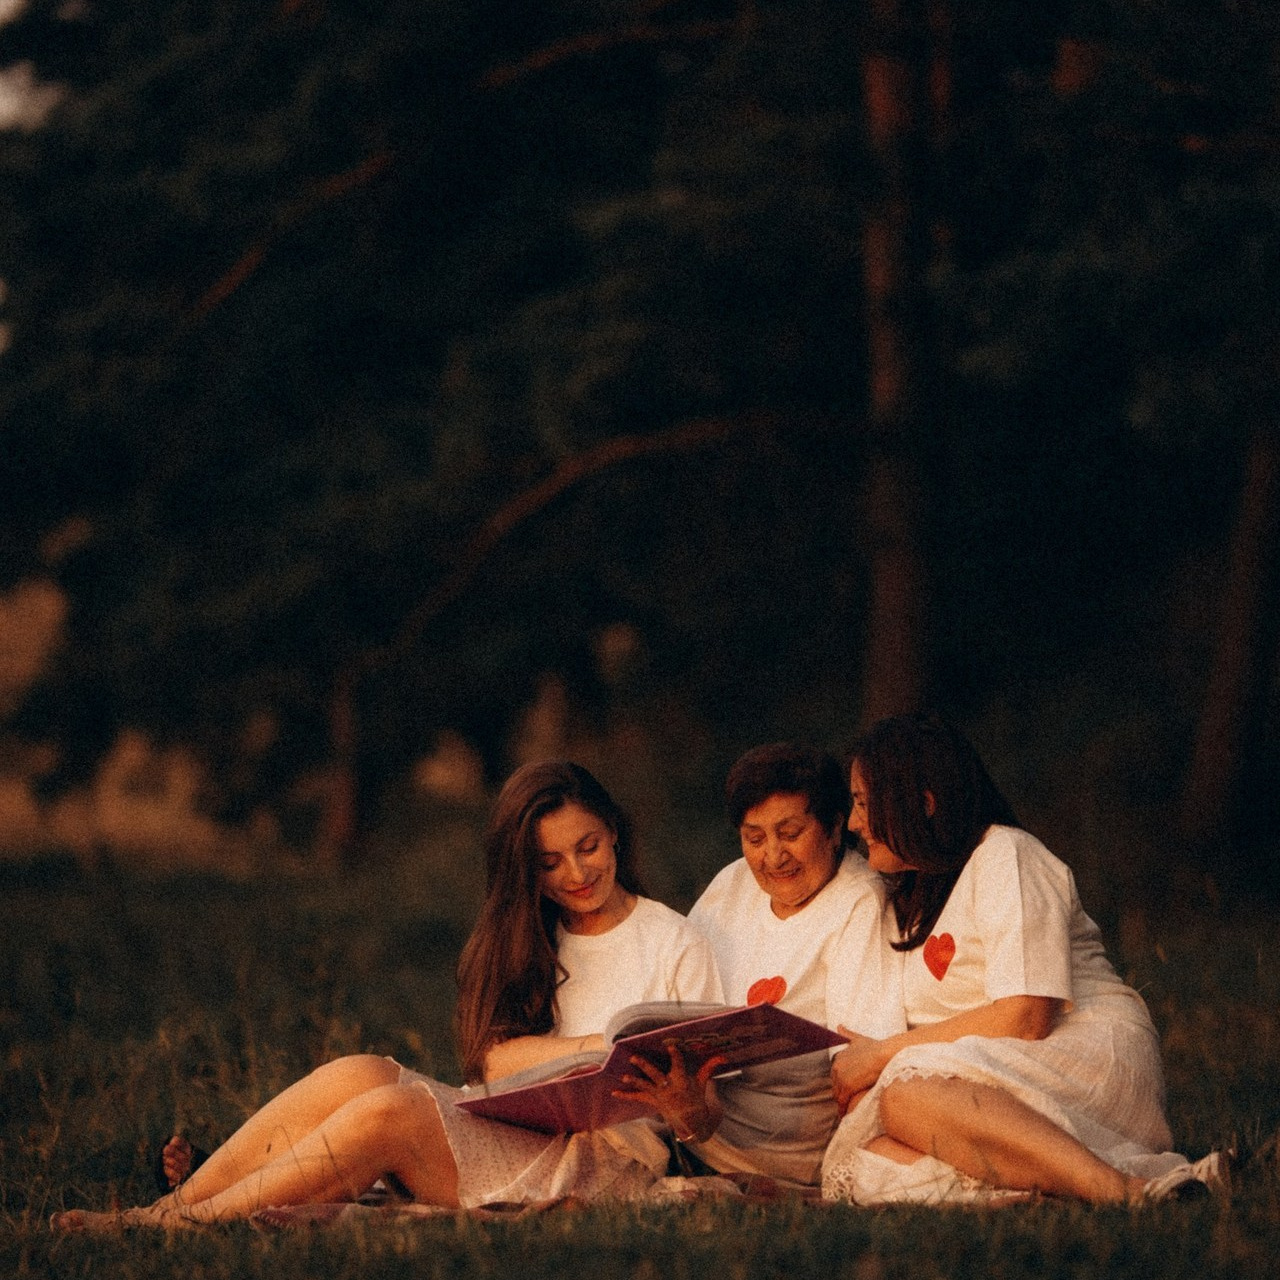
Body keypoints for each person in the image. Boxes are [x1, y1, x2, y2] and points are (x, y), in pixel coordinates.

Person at [52, 761, 724, 1229]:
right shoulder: (527, 934)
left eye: (588, 848)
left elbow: (707, 1117)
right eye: (549, 863)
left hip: (604, 1166)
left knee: (390, 1113)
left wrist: (685, 1105)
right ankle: (159, 1214)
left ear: (613, 831)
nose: (577, 873)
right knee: (359, 1072)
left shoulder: (674, 941)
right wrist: (596, 1045)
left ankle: (189, 1226)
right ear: (524, 869)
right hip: (521, 1126)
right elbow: (492, 1064)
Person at [820, 713, 1229, 1206]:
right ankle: (1042, 1187)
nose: (856, 822)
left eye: (864, 803)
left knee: (904, 1097)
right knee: (864, 1158)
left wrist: (887, 1054)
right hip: (989, 1079)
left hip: (1081, 1050)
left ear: (923, 804)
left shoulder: (1007, 855)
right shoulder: (912, 898)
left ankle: (1122, 1189)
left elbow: (1028, 1015)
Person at [682, 742, 903, 1190]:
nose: (773, 857)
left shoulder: (860, 899)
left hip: (789, 1144)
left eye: (790, 833)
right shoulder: (732, 883)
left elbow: (856, 1061)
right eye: (755, 838)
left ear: (834, 828)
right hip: (699, 1116)